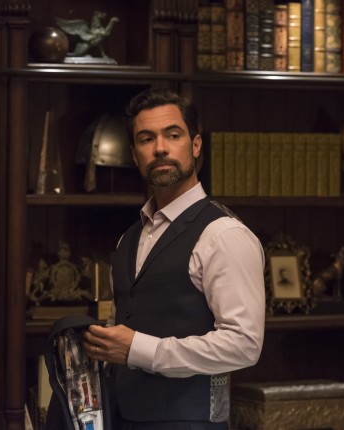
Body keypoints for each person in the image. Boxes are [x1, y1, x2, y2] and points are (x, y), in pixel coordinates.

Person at [81, 87, 266, 429]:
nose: (160, 148)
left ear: (195, 146)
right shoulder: (128, 239)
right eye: (146, 139)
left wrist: (139, 350)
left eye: (173, 135)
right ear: (134, 154)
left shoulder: (224, 234)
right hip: (122, 418)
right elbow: (121, 327)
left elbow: (244, 344)